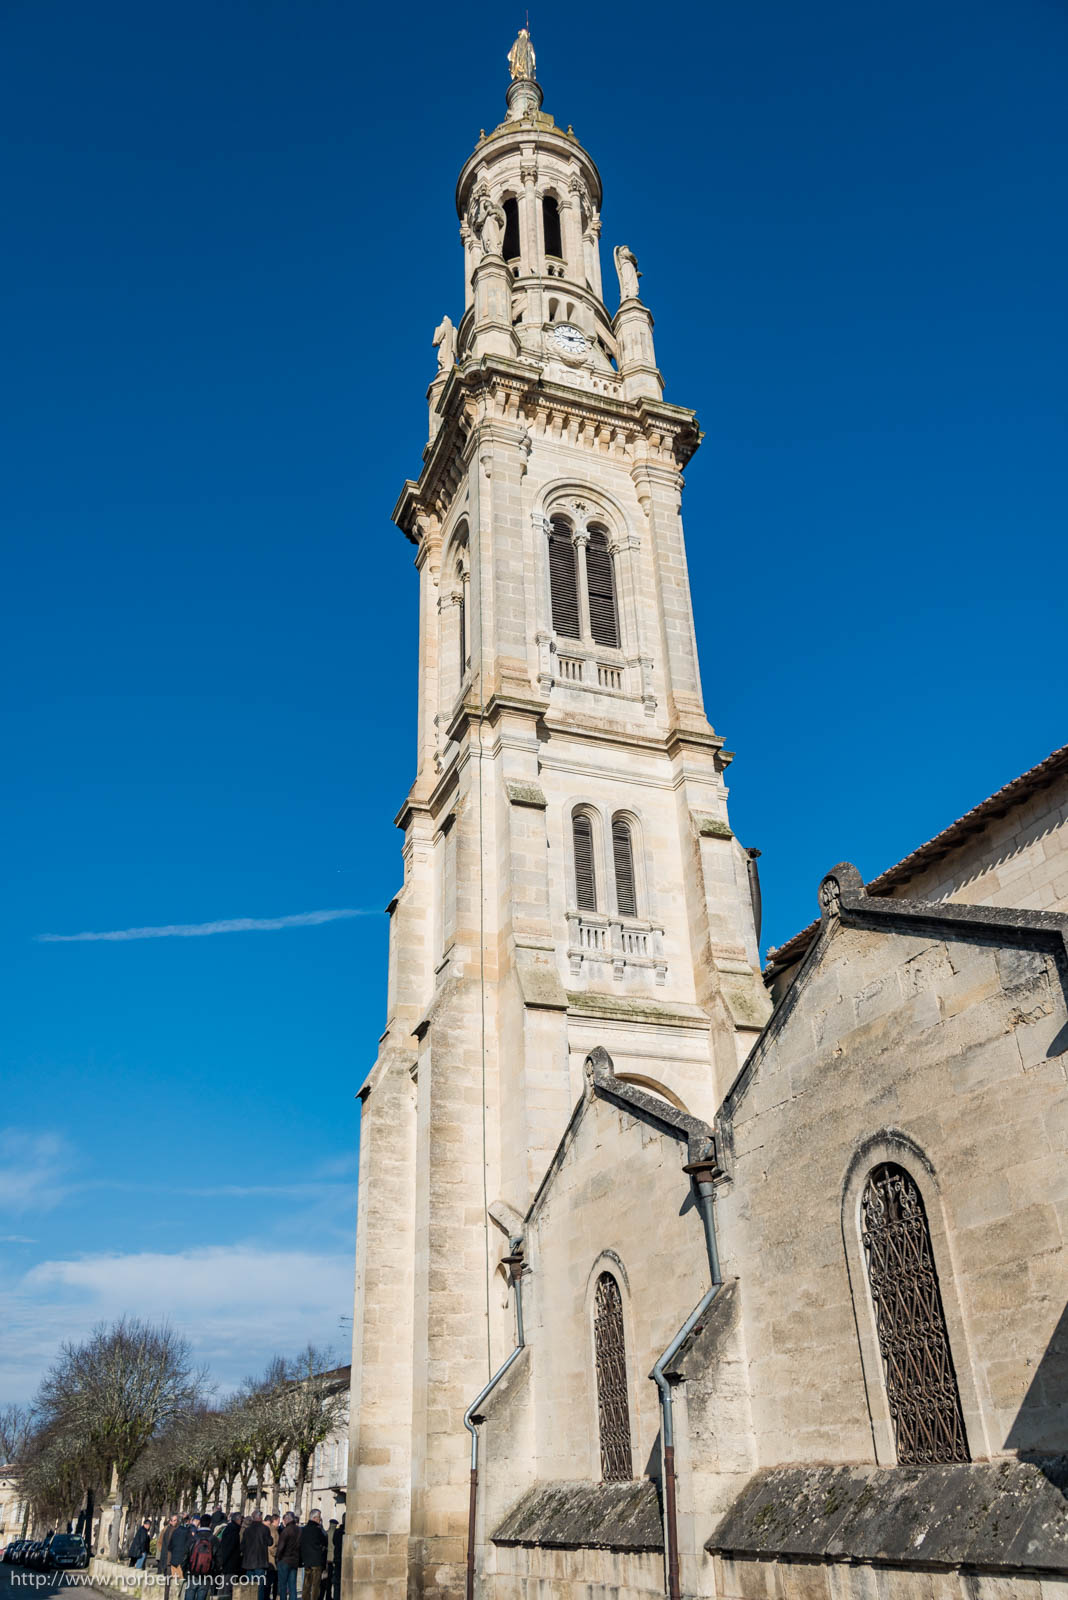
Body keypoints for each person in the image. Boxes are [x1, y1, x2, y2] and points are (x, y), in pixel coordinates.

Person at [240, 1509, 271, 1600]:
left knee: (250, 1586)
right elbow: (270, 1542)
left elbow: (242, 1546)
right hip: (260, 1561)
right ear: (260, 1518)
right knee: (260, 1587)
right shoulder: (265, 1529)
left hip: (249, 1562)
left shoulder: (247, 1530)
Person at [298, 1510, 327, 1600]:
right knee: (315, 1586)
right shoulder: (317, 1530)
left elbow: (300, 1545)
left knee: (306, 1584)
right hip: (316, 1561)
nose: (320, 1520)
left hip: (307, 1561)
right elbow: (325, 1541)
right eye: (319, 1518)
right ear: (315, 1518)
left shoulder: (304, 1529)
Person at [186, 1515, 216, 1600]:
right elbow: (219, 1559)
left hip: (192, 1572)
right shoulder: (214, 1539)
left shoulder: (193, 1538)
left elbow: (185, 1555)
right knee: (202, 1595)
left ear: (200, 1523)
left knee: (190, 1592)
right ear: (210, 1524)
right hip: (207, 1573)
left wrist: (186, 1570)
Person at [214, 1512, 242, 1600]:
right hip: (229, 1564)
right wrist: (223, 1562)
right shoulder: (233, 1531)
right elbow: (229, 1548)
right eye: (241, 1520)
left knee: (223, 1586)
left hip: (227, 1562)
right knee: (227, 1587)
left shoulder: (229, 1529)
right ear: (238, 1520)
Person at [273, 1513, 300, 1600]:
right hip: (295, 1560)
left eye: (284, 1520)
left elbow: (281, 1547)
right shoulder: (299, 1530)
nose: (283, 1522)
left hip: (284, 1560)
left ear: (287, 1520)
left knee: (283, 1585)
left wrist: (277, 1558)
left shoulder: (286, 1531)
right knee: (292, 1585)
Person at [263, 1515, 279, 1600]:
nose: (279, 1523)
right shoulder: (272, 1530)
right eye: (278, 1521)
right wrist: (276, 1554)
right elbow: (272, 1545)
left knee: (270, 1580)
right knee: (270, 1580)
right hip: (271, 1559)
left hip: (270, 1558)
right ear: (275, 1521)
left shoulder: (272, 1529)